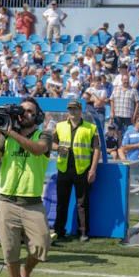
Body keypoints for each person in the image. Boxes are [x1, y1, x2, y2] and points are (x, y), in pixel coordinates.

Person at [0, 97, 52, 277]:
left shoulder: (45, 135)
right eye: (21, 111)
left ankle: (25, 275)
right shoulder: (6, 137)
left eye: (30, 111)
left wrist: (10, 131)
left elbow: (38, 149)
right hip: (6, 201)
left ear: (38, 116)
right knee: (10, 251)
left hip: (32, 202)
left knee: (42, 246)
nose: (24, 114)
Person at [52, 99, 100, 242]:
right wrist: (58, 148)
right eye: (70, 109)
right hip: (63, 169)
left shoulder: (91, 127)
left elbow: (97, 149)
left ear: (80, 111)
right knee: (62, 202)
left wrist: (93, 169)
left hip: (82, 170)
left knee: (82, 203)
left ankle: (83, 232)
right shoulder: (59, 126)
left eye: (75, 109)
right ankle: (59, 231)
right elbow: (52, 143)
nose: (72, 112)